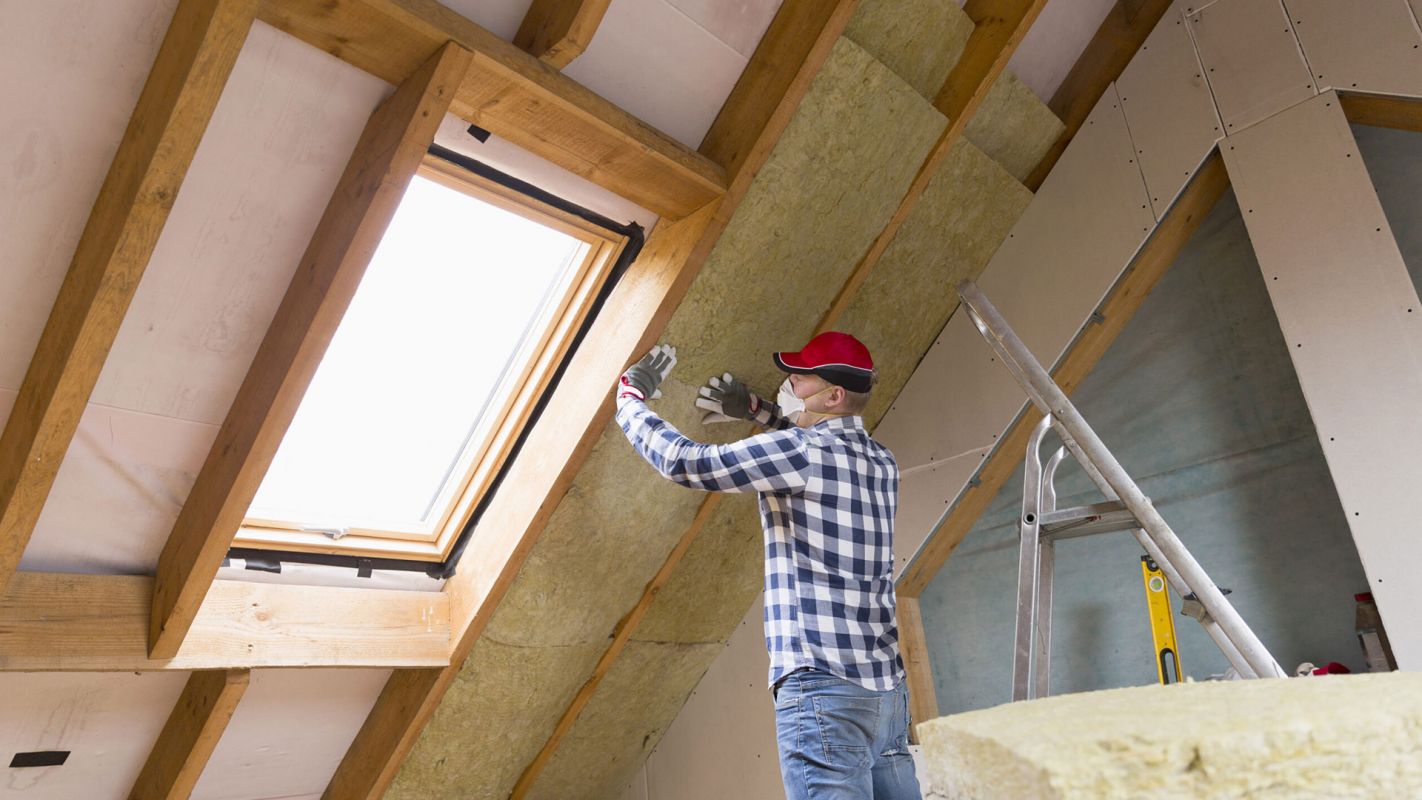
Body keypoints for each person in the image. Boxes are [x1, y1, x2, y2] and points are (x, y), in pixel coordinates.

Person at [614, 331, 921, 800]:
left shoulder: (799, 453)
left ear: (834, 395)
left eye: (800, 379)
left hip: (823, 689)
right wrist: (759, 412)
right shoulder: (882, 461)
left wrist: (630, 399)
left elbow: (685, 462)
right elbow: (813, 444)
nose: (791, 383)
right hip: (885, 694)